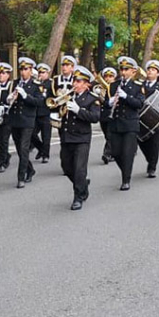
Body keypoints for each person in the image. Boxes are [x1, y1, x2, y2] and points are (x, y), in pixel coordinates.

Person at [59, 66, 102, 210]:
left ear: (86, 83)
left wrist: (78, 110)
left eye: (78, 81)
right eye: (74, 81)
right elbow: (56, 111)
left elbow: (95, 117)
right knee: (66, 167)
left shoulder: (92, 99)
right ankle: (82, 184)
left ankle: (78, 197)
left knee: (79, 169)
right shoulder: (69, 95)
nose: (74, 84)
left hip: (81, 138)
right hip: (67, 136)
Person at [109, 56, 146, 191]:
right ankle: (125, 170)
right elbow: (105, 103)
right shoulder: (113, 85)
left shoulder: (138, 86)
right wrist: (109, 102)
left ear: (133, 71)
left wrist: (126, 97)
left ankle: (126, 179)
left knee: (127, 153)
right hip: (115, 123)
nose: (123, 72)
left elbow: (139, 104)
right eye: (122, 69)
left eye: (126, 69)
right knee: (116, 153)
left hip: (130, 124)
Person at [7, 57, 44, 188]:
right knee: (19, 149)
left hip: (27, 121)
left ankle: (21, 177)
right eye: (21, 69)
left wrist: (25, 96)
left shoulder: (36, 86)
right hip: (14, 120)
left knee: (24, 148)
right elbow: (8, 97)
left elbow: (39, 102)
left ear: (31, 70)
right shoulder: (14, 83)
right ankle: (30, 169)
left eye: (26, 69)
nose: (23, 72)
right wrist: (9, 98)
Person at [137, 59, 159, 178]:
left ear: (157, 74)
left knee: (154, 144)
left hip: (154, 118)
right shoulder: (140, 85)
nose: (150, 71)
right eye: (149, 69)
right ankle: (149, 159)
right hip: (140, 117)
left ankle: (152, 166)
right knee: (141, 141)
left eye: (153, 70)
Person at [32, 62, 53, 164]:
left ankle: (45, 155)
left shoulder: (51, 83)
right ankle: (41, 148)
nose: (41, 74)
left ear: (47, 73)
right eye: (39, 72)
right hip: (35, 112)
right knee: (31, 134)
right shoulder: (35, 83)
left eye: (43, 72)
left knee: (46, 136)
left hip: (46, 112)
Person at [98, 66, 117, 164]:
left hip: (112, 114)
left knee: (110, 135)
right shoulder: (101, 88)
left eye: (110, 76)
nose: (108, 78)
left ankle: (107, 154)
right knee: (107, 135)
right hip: (103, 115)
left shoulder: (116, 88)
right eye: (106, 76)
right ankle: (114, 152)